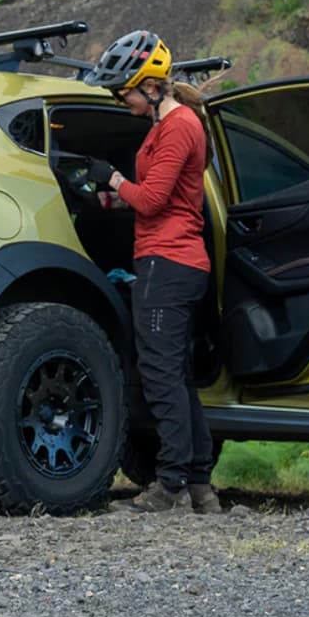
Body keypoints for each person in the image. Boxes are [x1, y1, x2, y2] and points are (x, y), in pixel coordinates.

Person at [82, 30, 223, 515]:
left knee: (160, 375)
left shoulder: (179, 126)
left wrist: (114, 177)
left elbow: (154, 199)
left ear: (151, 86)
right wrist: (105, 197)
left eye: (125, 91)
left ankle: (169, 486)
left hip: (169, 262)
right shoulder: (165, 126)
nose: (122, 100)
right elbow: (154, 198)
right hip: (173, 260)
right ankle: (201, 487)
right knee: (177, 376)